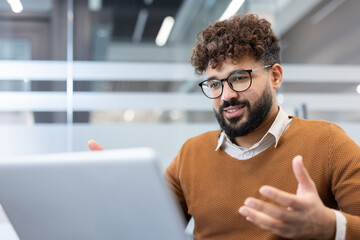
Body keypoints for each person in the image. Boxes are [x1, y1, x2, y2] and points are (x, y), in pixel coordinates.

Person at [88, 14, 360, 240]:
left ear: (275, 76)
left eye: (239, 78)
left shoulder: (327, 143)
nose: (226, 95)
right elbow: (152, 229)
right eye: (215, 84)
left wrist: (330, 226)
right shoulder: (191, 154)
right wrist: (118, 193)